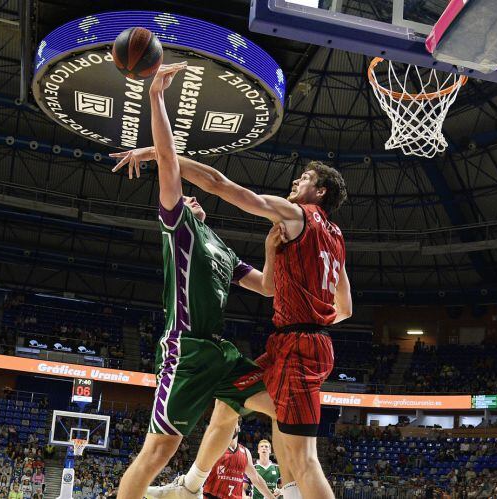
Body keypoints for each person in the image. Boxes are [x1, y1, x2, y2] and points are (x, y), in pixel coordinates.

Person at [113, 64, 351, 499]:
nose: (297, 181)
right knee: (206, 422)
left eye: (305, 179)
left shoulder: (242, 241)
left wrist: (300, 312)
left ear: (319, 193)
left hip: (261, 346)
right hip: (190, 350)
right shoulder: (179, 225)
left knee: (299, 443)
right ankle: (190, 486)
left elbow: (228, 194)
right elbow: (319, 301)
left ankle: (291, 490)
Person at [113, 63, 280, 499]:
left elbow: (267, 287)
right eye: (182, 192)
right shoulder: (179, 226)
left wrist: (272, 245)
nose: (187, 194)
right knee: (158, 451)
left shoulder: (222, 249)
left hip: (219, 353)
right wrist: (156, 98)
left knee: (285, 408)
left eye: (190, 195)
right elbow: (170, 160)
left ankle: (192, 486)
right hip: (184, 349)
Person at [202, 422, 275, 499]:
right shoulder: (214, 447)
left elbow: (256, 479)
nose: (230, 425)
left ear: (239, 428)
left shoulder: (245, 452)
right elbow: (199, 473)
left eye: (233, 422)